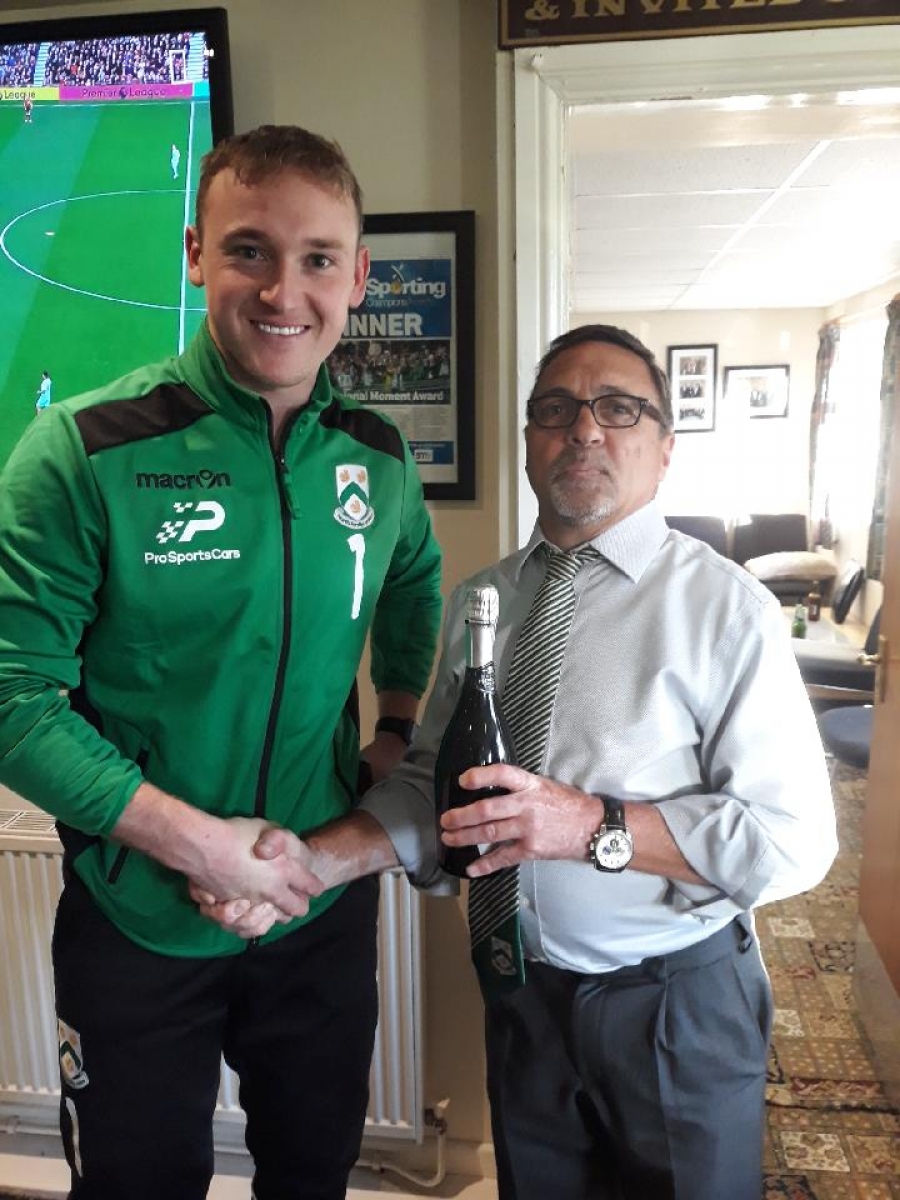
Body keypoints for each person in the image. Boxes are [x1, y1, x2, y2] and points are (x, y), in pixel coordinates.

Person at [198, 324, 838, 1200]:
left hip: (673, 1008)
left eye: (619, 408)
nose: (585, 428)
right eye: (556, 409)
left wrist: (592, 827)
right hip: (521, 997)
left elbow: (793, 841)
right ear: (530, 442)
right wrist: (309, 864)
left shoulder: (728, 611)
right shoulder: (484, 599)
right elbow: (435, 790)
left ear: (665, 451)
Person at [0, 125, 442, 1200]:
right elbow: (11, 699)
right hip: (138, 920)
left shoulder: (378, 456)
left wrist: (393, 727)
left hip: (315, 908)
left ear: (357, 277)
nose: (286, 291)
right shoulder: (85, 449)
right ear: (197, 254)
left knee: (313, 1176)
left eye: (318, 258)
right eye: (250, 250)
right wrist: (202, 847)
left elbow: (415, 581)